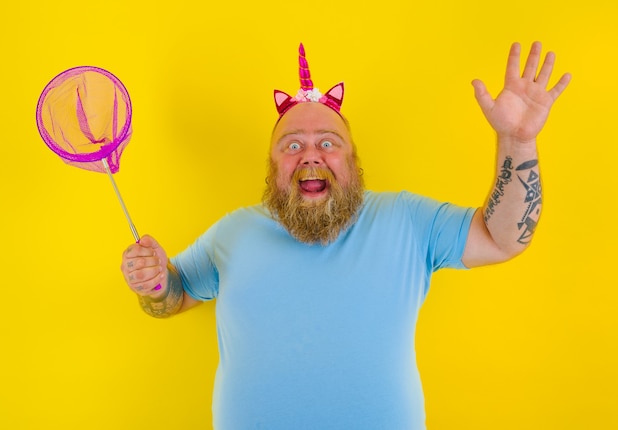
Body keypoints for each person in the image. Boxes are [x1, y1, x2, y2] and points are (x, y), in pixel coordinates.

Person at [120, 42, 570, 429]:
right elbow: (174, 297)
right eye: (292, 144)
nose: (311, 155)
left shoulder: (406, 219)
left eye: (329, 143)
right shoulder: (233, 231)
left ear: (353, 161)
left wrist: (517, 141)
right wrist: (155, 281)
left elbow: (503, 239)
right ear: (272, 165)